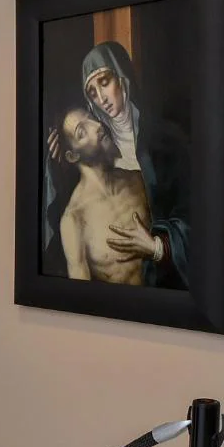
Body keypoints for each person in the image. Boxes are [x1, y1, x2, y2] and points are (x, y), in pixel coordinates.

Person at [46, 41, 191, 290]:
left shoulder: (166, 138)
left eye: (105, 82)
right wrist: (57, 166)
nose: (101, 98)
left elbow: (194, 214)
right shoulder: (98, 148)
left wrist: (158, 248)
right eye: (92, 92)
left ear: (122, 77)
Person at [56, 108, 150, 284]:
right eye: (82, 132)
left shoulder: (137, 179)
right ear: (72, 156)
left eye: (92, 118)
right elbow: (82, 298)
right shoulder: (74, 218)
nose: (98, 126)